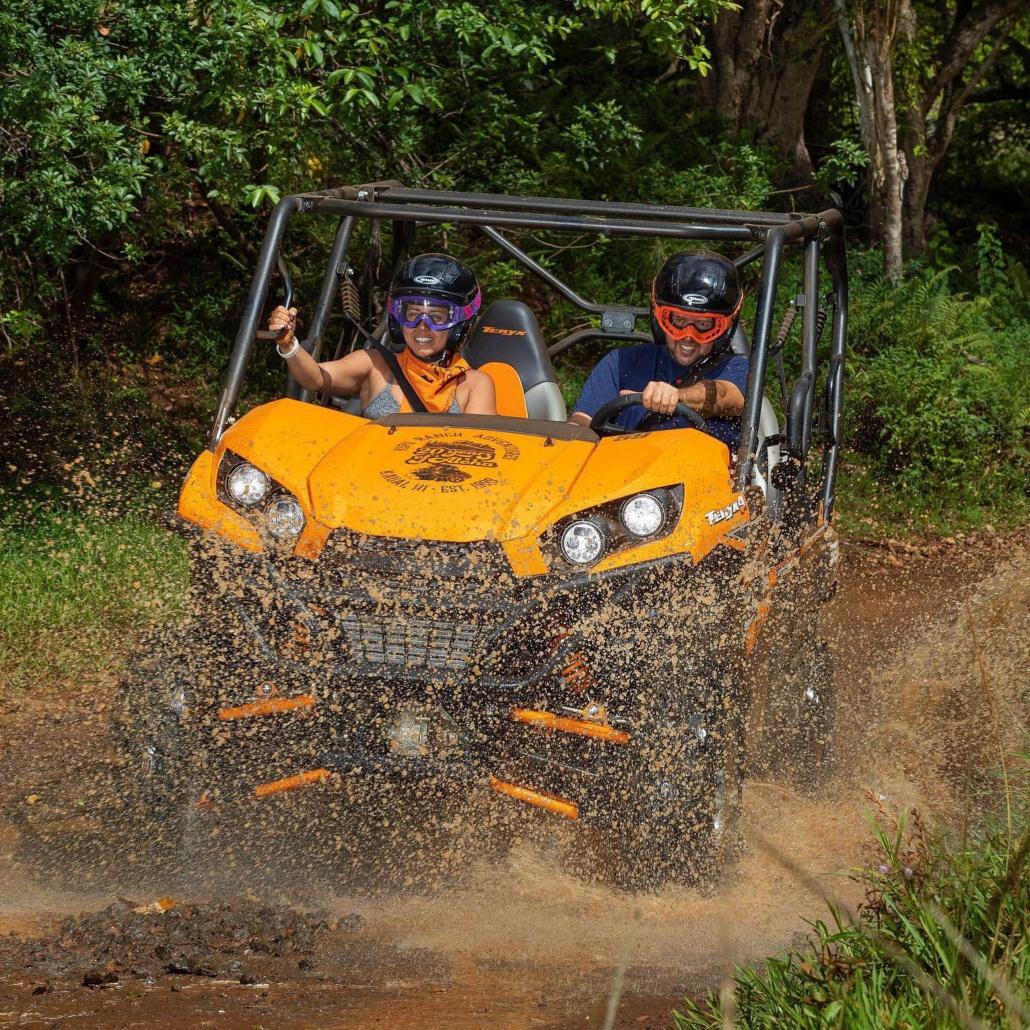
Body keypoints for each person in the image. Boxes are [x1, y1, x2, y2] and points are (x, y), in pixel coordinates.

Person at [268, 253, 496, 417]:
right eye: (412, 314)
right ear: (398, 319)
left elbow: (480, 453)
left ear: (459, 325)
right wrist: (289, 346)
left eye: (436, 317)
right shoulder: (374, 365)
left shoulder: (474, 385)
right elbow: (316, 378)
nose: (422, 326)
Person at [568, 250, 748, 448]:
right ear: (660, 317)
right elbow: (581, 419)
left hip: (703, 473)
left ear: (723, 328)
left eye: (703, 325)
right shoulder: (621, 362)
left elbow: (724, 396)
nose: (688, 335)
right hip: (622, 470)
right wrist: (577, 437)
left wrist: (679, 397)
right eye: (678, 320)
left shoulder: (736, 368)